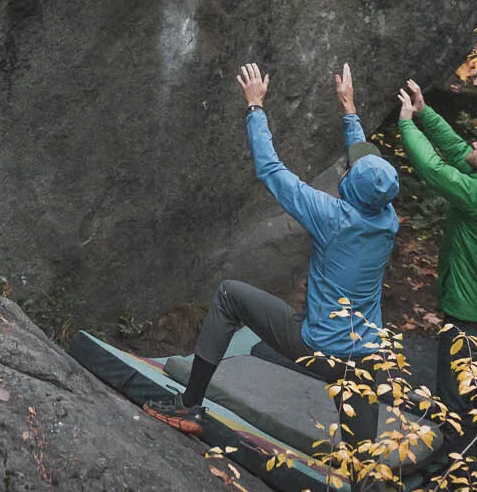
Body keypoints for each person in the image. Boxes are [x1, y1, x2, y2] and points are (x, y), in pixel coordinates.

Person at [150, 63, 399, 455]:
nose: (349, 168)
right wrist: (348, 108)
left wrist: (254, 107)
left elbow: (270, 169)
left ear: (352, 183)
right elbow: (369, 172)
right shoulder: (387, 220)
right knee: (365, 464)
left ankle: (188, 406)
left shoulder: (331, 217)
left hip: (318, 347)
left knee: (229, 296)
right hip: (366, 358)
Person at [396, 80, 477, 491]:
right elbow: (457, 153)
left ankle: (455, 482)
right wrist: (424, 112)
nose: (475, 142)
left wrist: (406, 126)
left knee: (456, 410)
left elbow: (436, 171)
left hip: (468, 323)